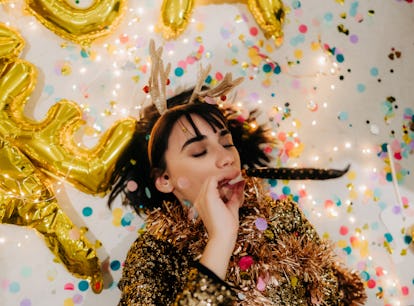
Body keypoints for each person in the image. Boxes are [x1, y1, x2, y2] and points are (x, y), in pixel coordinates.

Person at [107, 41, 367, 305]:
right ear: (164, 180)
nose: (225, 158)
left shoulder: (284, 217)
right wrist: (221, 239)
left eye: (226, 143)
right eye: (199, 151)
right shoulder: (152, 255)